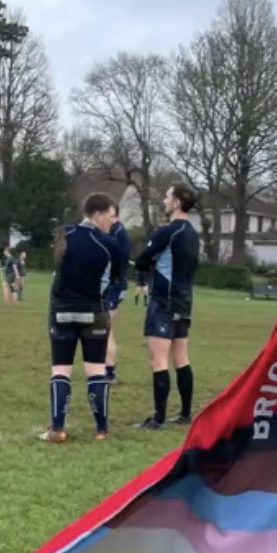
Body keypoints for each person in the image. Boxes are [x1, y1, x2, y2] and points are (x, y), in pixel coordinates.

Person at [40, 192, 128, 443]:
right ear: (98, 215)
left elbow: (56, 269)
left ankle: (57, 429)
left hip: (62, 311)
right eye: (111, 218)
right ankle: (102, 430)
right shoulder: (109, 245)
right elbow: (117, 279)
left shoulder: (63, 235)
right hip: (94, 313)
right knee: (96, 370)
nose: (114, 223)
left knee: (60, 369)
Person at [133, 183, 200, 430]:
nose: (163, 200)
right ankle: (184, 414)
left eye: (167, 196)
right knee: (181, 357)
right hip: (184, 300)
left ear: (177, 203)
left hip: (164, 300)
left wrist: (144, 271)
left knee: (158, 359)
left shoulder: (168, 232)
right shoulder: (193, 233)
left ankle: (158, 418)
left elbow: (142, 259)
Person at [102, 206, 133, 385]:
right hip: (114, 285)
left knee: (105, 330)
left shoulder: (117, 232)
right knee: (104, 329)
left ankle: (110, 372)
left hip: (113, 286)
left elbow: (116, 261)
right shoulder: (115, 231)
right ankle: (104, 368)